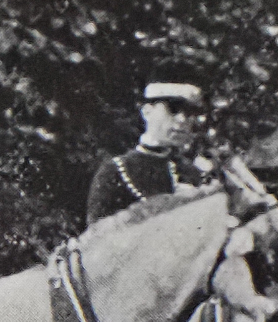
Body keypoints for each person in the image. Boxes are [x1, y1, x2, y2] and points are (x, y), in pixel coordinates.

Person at [86, 61, 213, 227]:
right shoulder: (117, 171)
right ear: (147, 111)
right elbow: (98, 240)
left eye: (189, 112)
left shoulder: (195, 174)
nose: (182, 120)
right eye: (172, 109)